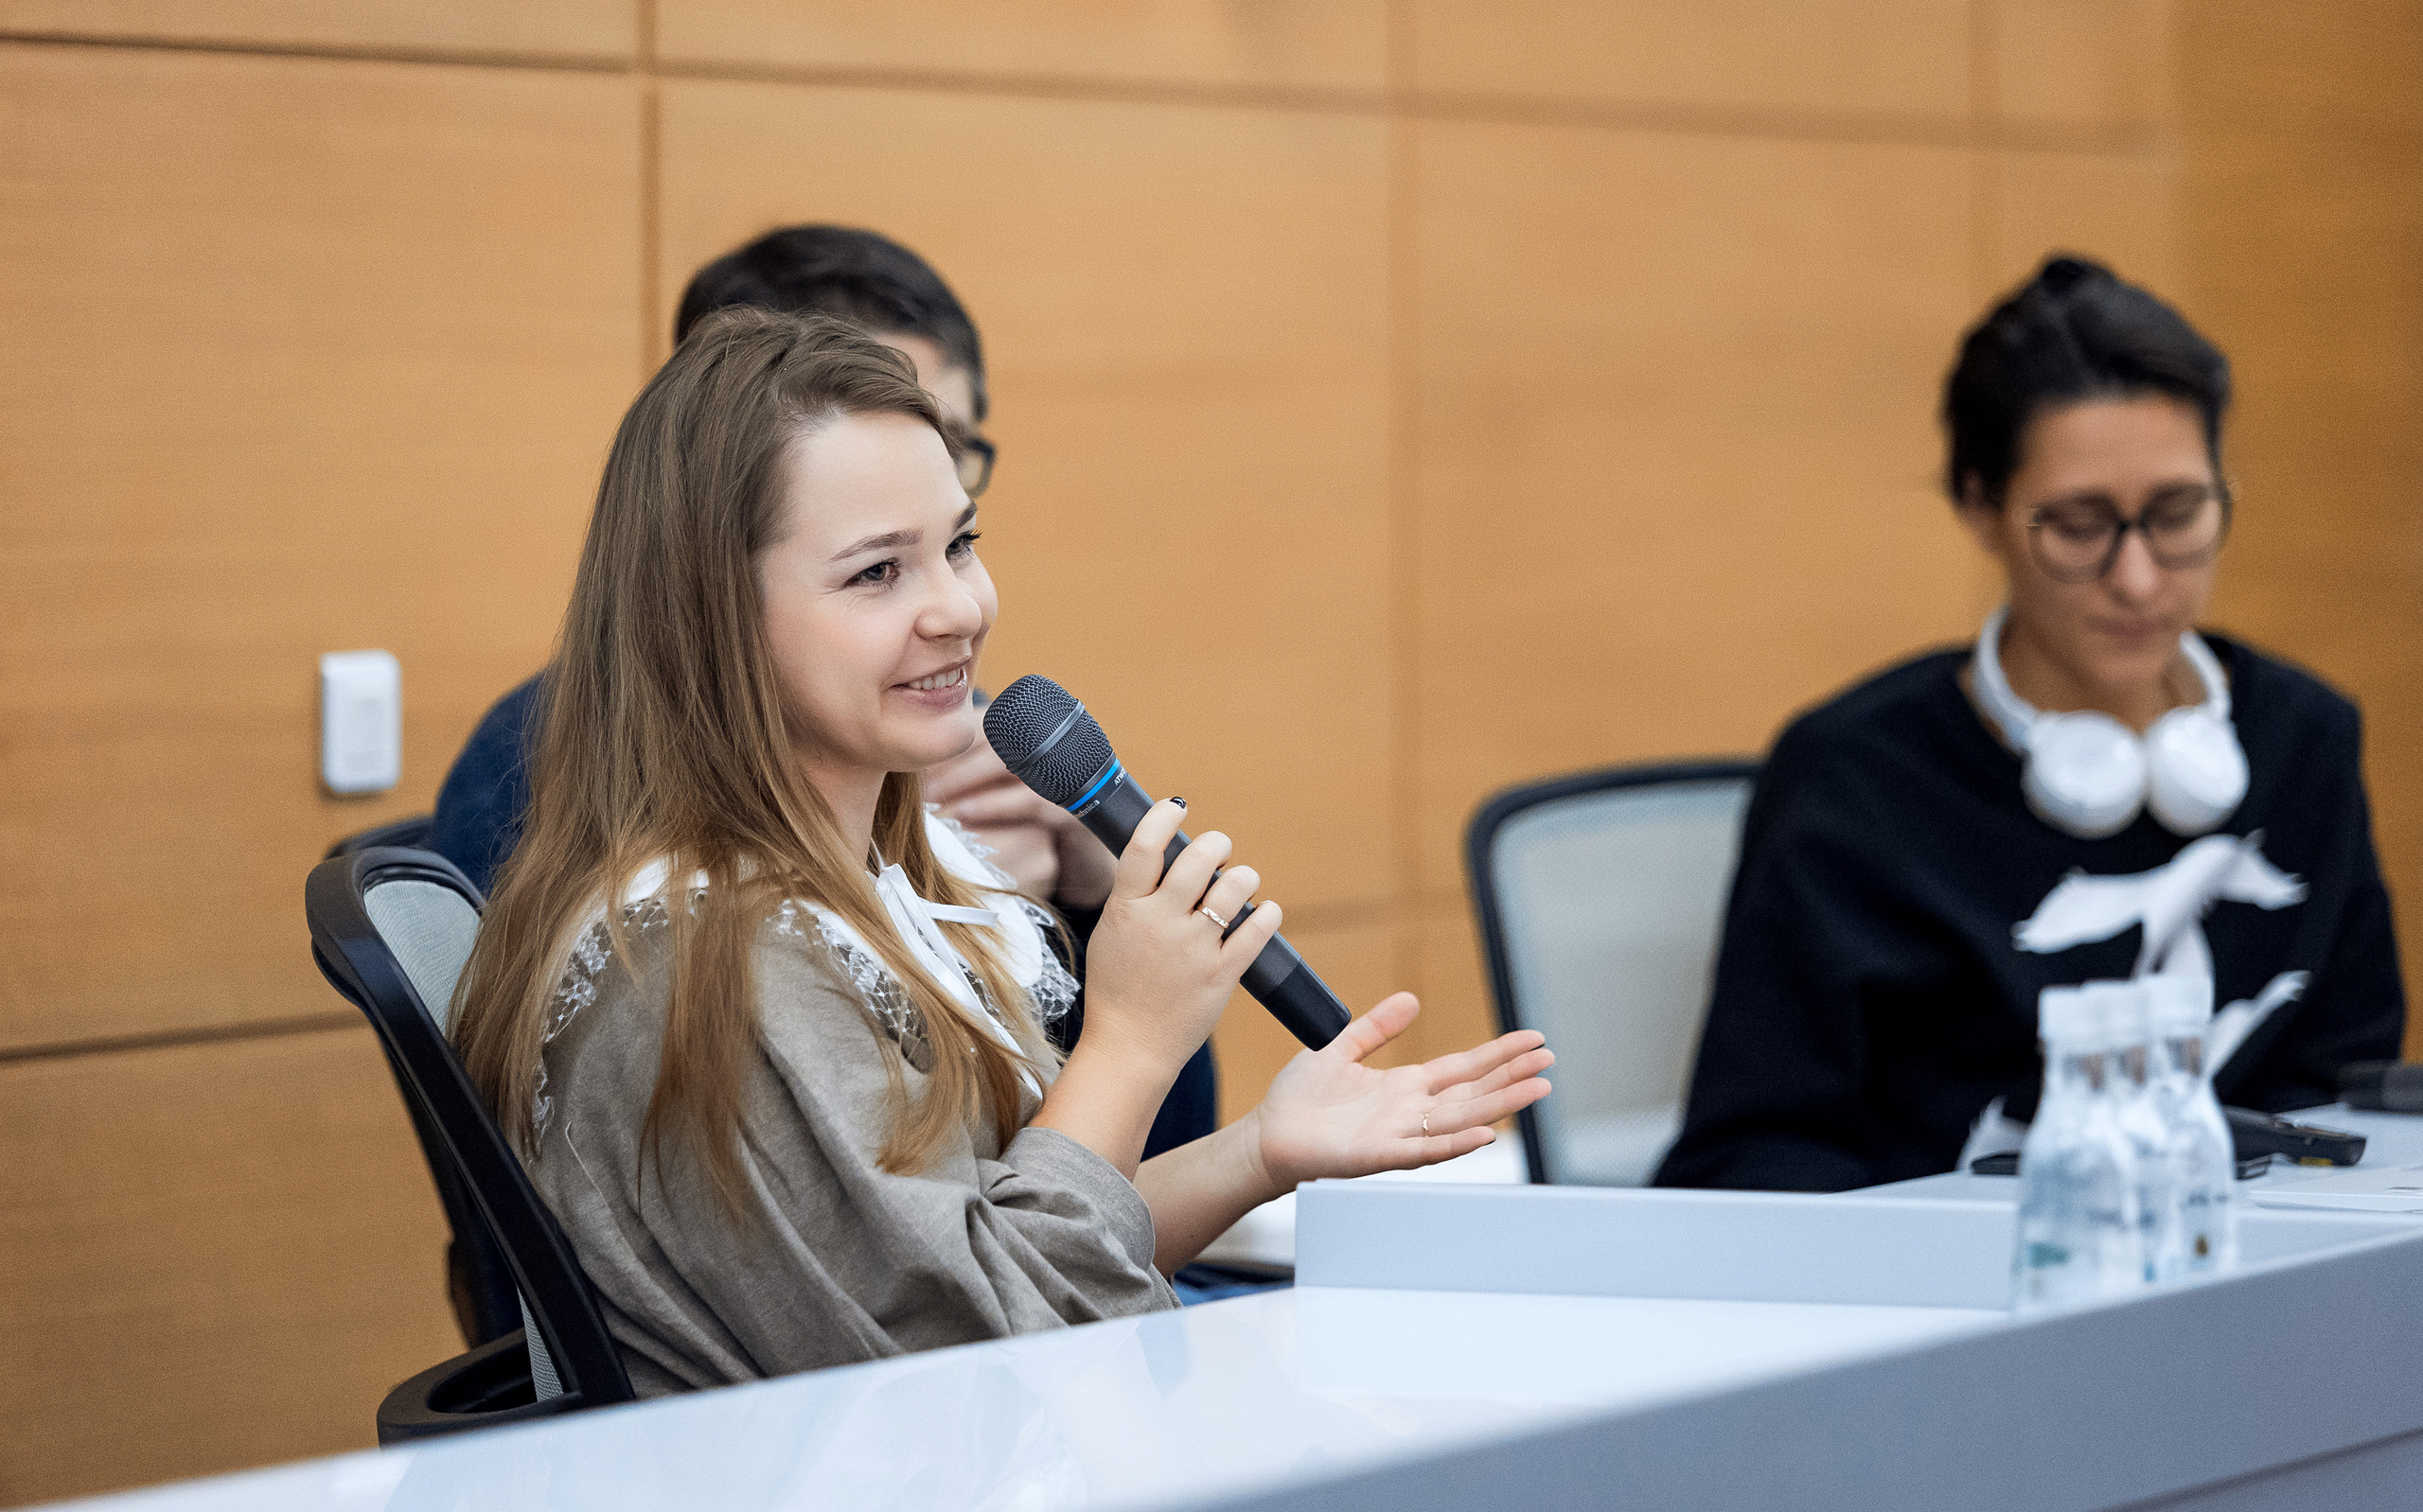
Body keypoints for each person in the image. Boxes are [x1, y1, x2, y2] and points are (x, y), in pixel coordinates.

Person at [446, 310, 1553, 1393]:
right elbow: (981, 1359)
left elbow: (1013, 1252)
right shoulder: (713, 964)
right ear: (711, 618)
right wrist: (1128, 1041)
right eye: (877, 573)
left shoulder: (870, 886)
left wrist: (1260, 1150)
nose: (958, 610)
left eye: (960, 546)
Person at [426, 225, 1220, 1163]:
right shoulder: (569, 790)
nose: (955, 609)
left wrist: (1081, 898)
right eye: (875, 565)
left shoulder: (964, 736)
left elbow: (1135, 1169)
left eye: (952, 457)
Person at [1654, 255, 2404, 1194]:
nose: (2138, 579)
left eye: (2178, 514)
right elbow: (1749, 1158)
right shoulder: (1853, 778)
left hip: (2260, 1260)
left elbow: (2351, 1099)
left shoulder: (2302, 739)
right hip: (1948, 1269)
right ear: (1981, 508)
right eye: (2081, 526)